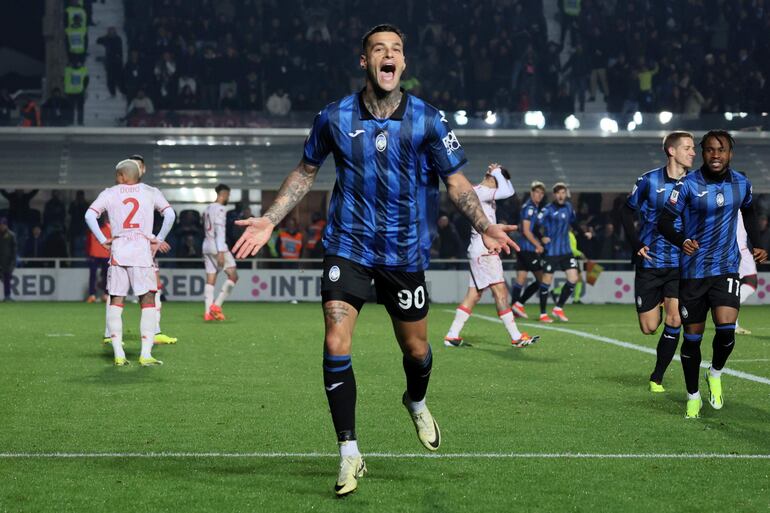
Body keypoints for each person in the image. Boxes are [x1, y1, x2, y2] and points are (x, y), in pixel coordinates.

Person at [232, 24, 517, 497]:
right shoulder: (334, 116)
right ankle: (348, 453)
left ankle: (416, 399)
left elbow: (457, 183)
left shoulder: (428, 119)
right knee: (335, 336)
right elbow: (305, 173)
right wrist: (270, 218)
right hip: (348, 246)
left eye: (397, 50)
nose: (389, 56)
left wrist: (484, 225)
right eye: (379, 49)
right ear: (364, 62)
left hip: (404, 254)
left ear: (403, 64)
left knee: (417, 352)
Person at [658, 130, 767, 419]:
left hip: (726, 268)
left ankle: (715, 372)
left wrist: (758, 244)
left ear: (730, 153)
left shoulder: (742, 184)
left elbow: (750, 213)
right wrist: (681, 240)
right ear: (703, 153)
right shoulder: (688, 185)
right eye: (709, 150)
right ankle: (693, 395)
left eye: (721, 149)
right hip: (694, 272)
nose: (715, 155)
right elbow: (665, 221)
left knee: (726, 330)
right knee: (692, 337)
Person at [620, 131, 695, 393]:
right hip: (650, 262)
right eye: (688, 148)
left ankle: (657, 377)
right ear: (672, 151)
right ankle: (658, 303)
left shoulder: (696, 183)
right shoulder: (648, 180)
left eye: (694, 148)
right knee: (649, 327)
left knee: (675, 320)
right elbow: (626, 211)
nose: (693, 153)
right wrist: (636, 244)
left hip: (680, 263)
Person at [85, 159, 176, 366]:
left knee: (116, 301)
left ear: (121, 176)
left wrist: (102, 239)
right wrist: (158, 239)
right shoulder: (150, 191)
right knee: (148, 301)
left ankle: (118, 353)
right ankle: (146, 354)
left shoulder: (110, 193)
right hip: (142, 253)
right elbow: (170, 214)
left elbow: (89, 215)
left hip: (119, 252)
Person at [444, 164, 539, 348]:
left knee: (474, 294)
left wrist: (497, 172)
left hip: (478, 248)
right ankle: (516, 336)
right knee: (500, 291)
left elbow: (507, 189)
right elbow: (507, 191)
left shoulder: (480, 192)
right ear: (493, 178)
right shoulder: (481, 192)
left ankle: (452, 335)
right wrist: (496, 171)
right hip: (484, 249)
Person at [536, 183, 581, 322]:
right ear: (554, 195)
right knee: (546, 281)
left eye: (563, 193)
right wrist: (541, 237)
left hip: (566, 251)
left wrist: (585, 232)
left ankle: (558, 308)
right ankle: (543, 314)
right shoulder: (548, 209)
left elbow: (574, 223)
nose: (561, 195)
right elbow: (536, 225)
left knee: (573, 278)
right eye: (558, 193)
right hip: (552, 251)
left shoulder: (568, 207)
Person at [202, 184, 238, 321]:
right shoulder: (221, 209)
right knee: (233, 275)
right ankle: (216, 306)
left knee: (210, 279)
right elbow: (220, 231)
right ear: (223, 194)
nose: (228, 197)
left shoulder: (208, 208)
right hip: (216, 246)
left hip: (206, 245)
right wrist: (221, 251)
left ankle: (207, 313)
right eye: (228, 195)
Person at [511, 181, 546, 318]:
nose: (539, 195)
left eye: (542, 193)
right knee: (542, 280)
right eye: (537, 192)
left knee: (520, 279)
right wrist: (537, 245)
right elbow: (526, 230)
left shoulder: (533, 207)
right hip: (528, 249)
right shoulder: (530, 208)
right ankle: (519, 304)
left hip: (523, 248)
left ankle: (513, 310)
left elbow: (531, 229)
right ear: (532, 193)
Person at [734, 210, 757, 335]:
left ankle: (732, 320)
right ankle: (732, 321)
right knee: (746, 282)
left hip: (740, 246)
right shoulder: (736, 196)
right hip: (737, 247)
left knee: (749, 282)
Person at [85, 213, 110, 302]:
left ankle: (106, 294)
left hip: (106, 255)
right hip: (94, 255)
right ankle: (92, 295)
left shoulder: (109, 227)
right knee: (93, 275)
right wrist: (88, 254)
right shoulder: (92, 228)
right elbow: (88, 242)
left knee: (107, 275)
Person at [0, 218, 16, 301]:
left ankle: (7, 296)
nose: (1, 226)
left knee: (7, 280)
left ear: (6, 225)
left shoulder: (11, 235)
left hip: (7, 261)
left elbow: (14, 250)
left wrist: (13, 262)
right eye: (0, 225)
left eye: (2, 225)